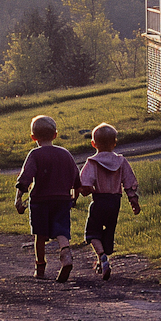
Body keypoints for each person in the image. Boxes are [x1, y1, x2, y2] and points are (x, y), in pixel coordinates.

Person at [14, 114, 80, 281]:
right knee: (62, 229)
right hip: (62, 199)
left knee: (40, 235)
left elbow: (25, 179)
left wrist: (18, 199)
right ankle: (65, 253)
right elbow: (76, 178)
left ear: (33, 137)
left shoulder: (35, 155)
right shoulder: (65, 153)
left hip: (40, 201)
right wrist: (74, 197)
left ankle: (40, 268)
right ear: (55, 135)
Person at [78, 122, 140, 279]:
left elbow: (84, 183)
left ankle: (102, 257)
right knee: (109, 230)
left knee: (92, 233)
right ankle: (103, 257)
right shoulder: (121, 161)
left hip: (99, 200)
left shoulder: (92, 162)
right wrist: (133, 200)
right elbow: (129, 181)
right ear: (114, 143)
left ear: (93, 143)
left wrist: (84, 191)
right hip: (115, 202)